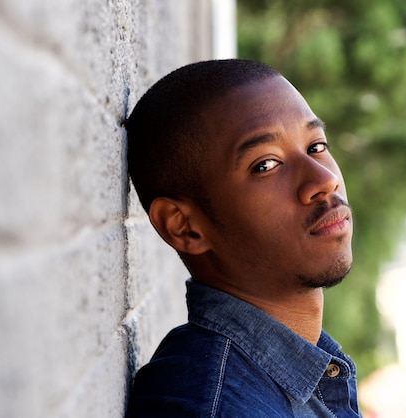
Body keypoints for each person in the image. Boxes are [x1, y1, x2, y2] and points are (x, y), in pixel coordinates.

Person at [125, 59, 362, 417]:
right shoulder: (217, 406)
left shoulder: (298, 376)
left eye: (316, 146)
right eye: (266, 165)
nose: (323, 180)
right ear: (184, 226)